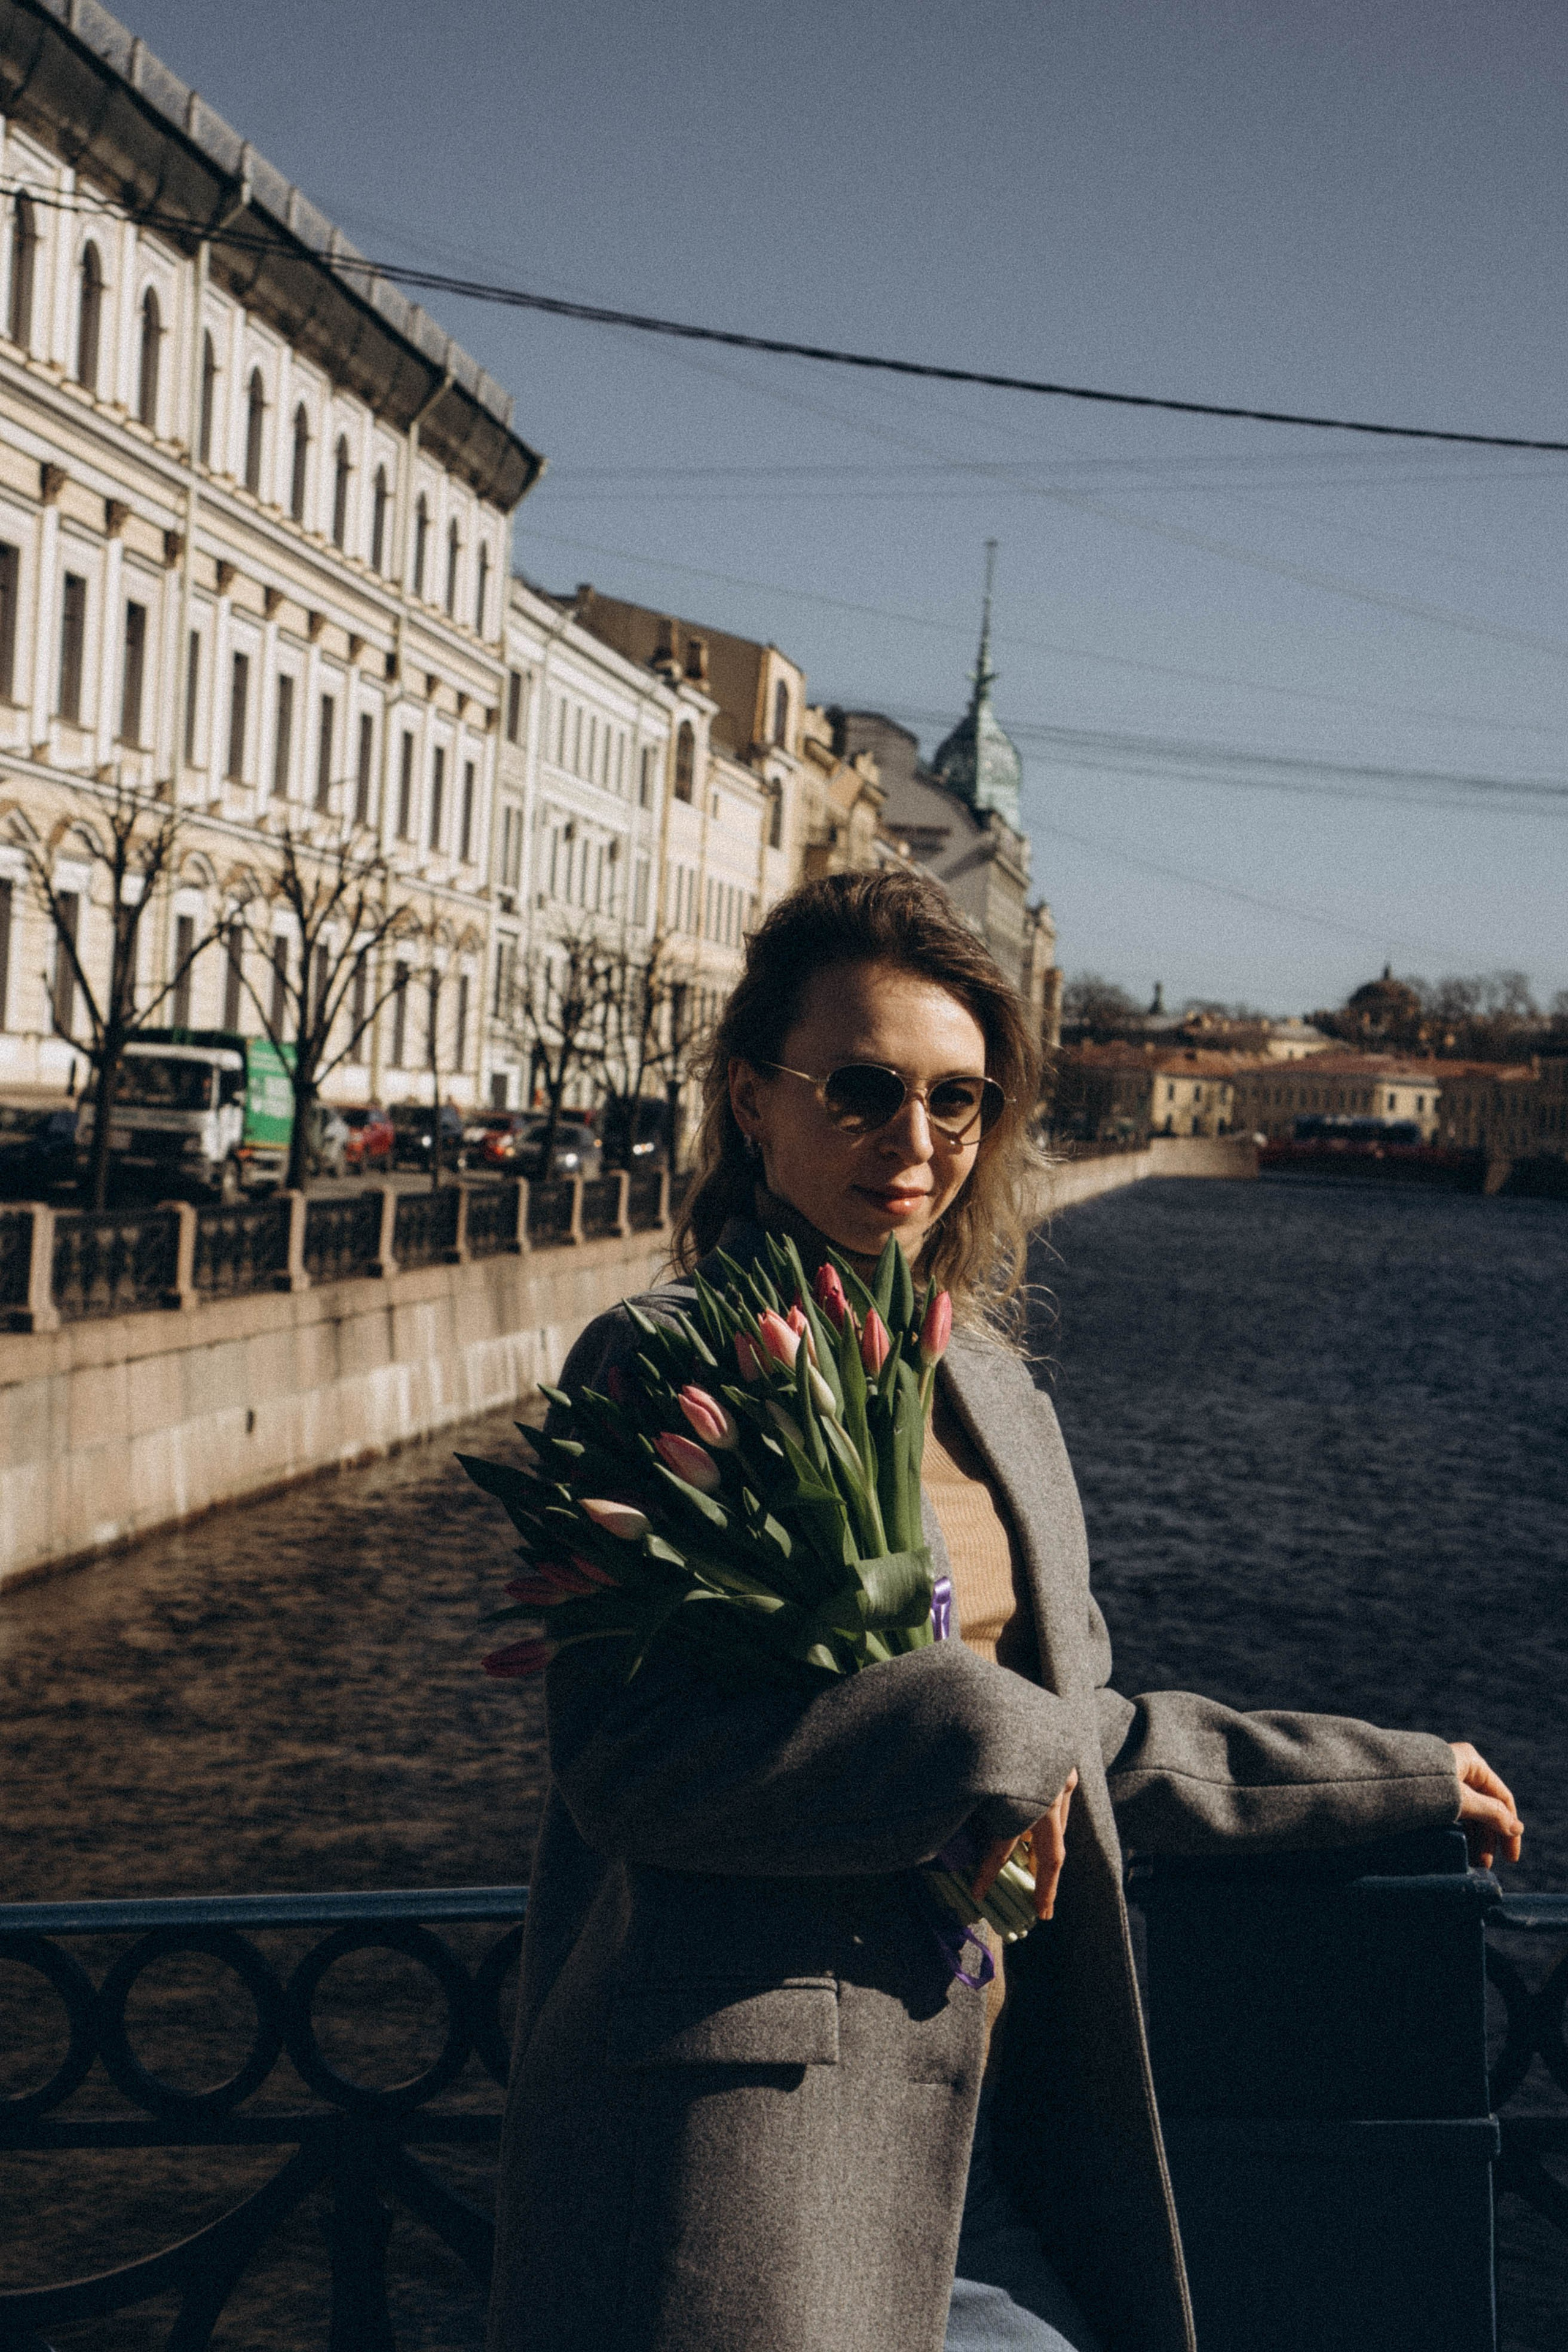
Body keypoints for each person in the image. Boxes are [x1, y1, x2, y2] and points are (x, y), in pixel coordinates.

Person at [485, 869, 1521, 2352]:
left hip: (998, 2113)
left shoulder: (992, 1391)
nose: (914, 1145)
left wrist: (1380, 1775)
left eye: (957, 1101)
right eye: (861, 1089)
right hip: (768, 2146)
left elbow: (1070, 1733)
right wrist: (977, 1726)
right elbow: (626, 1765)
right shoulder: (662, 1363)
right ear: (751, 1099)